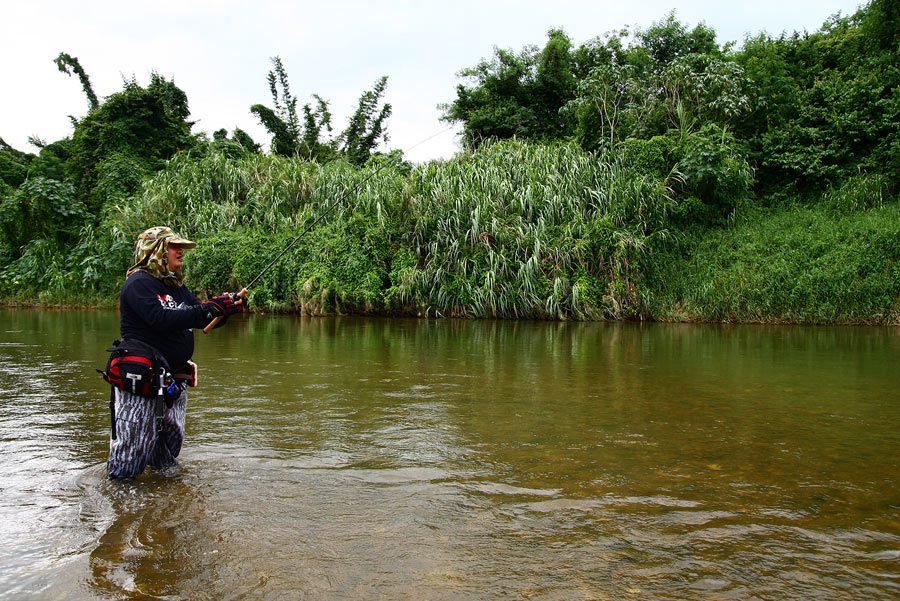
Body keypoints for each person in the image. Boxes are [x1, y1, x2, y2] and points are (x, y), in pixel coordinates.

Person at [106, 226, 243, 479]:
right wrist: (208, 309)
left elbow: (200, 318)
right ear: (156, 251)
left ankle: (166, 502)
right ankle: (122, 508)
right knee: (129, 456)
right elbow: (160, 319)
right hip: (143, 382)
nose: (180, 251)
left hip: (171, 381)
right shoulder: (138, 283)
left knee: (166, 458)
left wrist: (224, 310)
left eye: (180, 247)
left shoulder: (176, 286)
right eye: (174, 246)